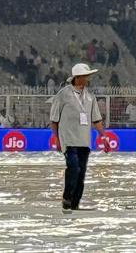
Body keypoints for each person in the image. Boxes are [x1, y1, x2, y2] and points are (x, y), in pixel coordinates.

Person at [50, 63, 107, 212]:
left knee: (81, 173)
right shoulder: (63, 94)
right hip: (68, 140)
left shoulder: (90, 96)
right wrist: (56, 138)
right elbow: (54, 120)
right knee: (73, 168)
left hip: (84, 141)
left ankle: (75, 204)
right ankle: (67, 198)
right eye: (85, 76)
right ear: (77, 77)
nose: (88, 79)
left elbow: (96, 120)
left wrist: (104, 137)